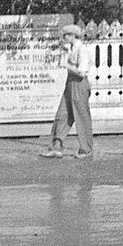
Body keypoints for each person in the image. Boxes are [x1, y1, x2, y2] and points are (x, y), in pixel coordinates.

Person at [41, 24, 94, 159]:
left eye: (67, 35)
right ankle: (56, 146)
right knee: (62, 114)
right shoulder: (69, 49)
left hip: (79, 84)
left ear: (73, 36)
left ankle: (86, 149)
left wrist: (67, 65)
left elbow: (81, 73)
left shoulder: (82, 49)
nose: (64, 37)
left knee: (81, 116)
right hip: (70, 83)